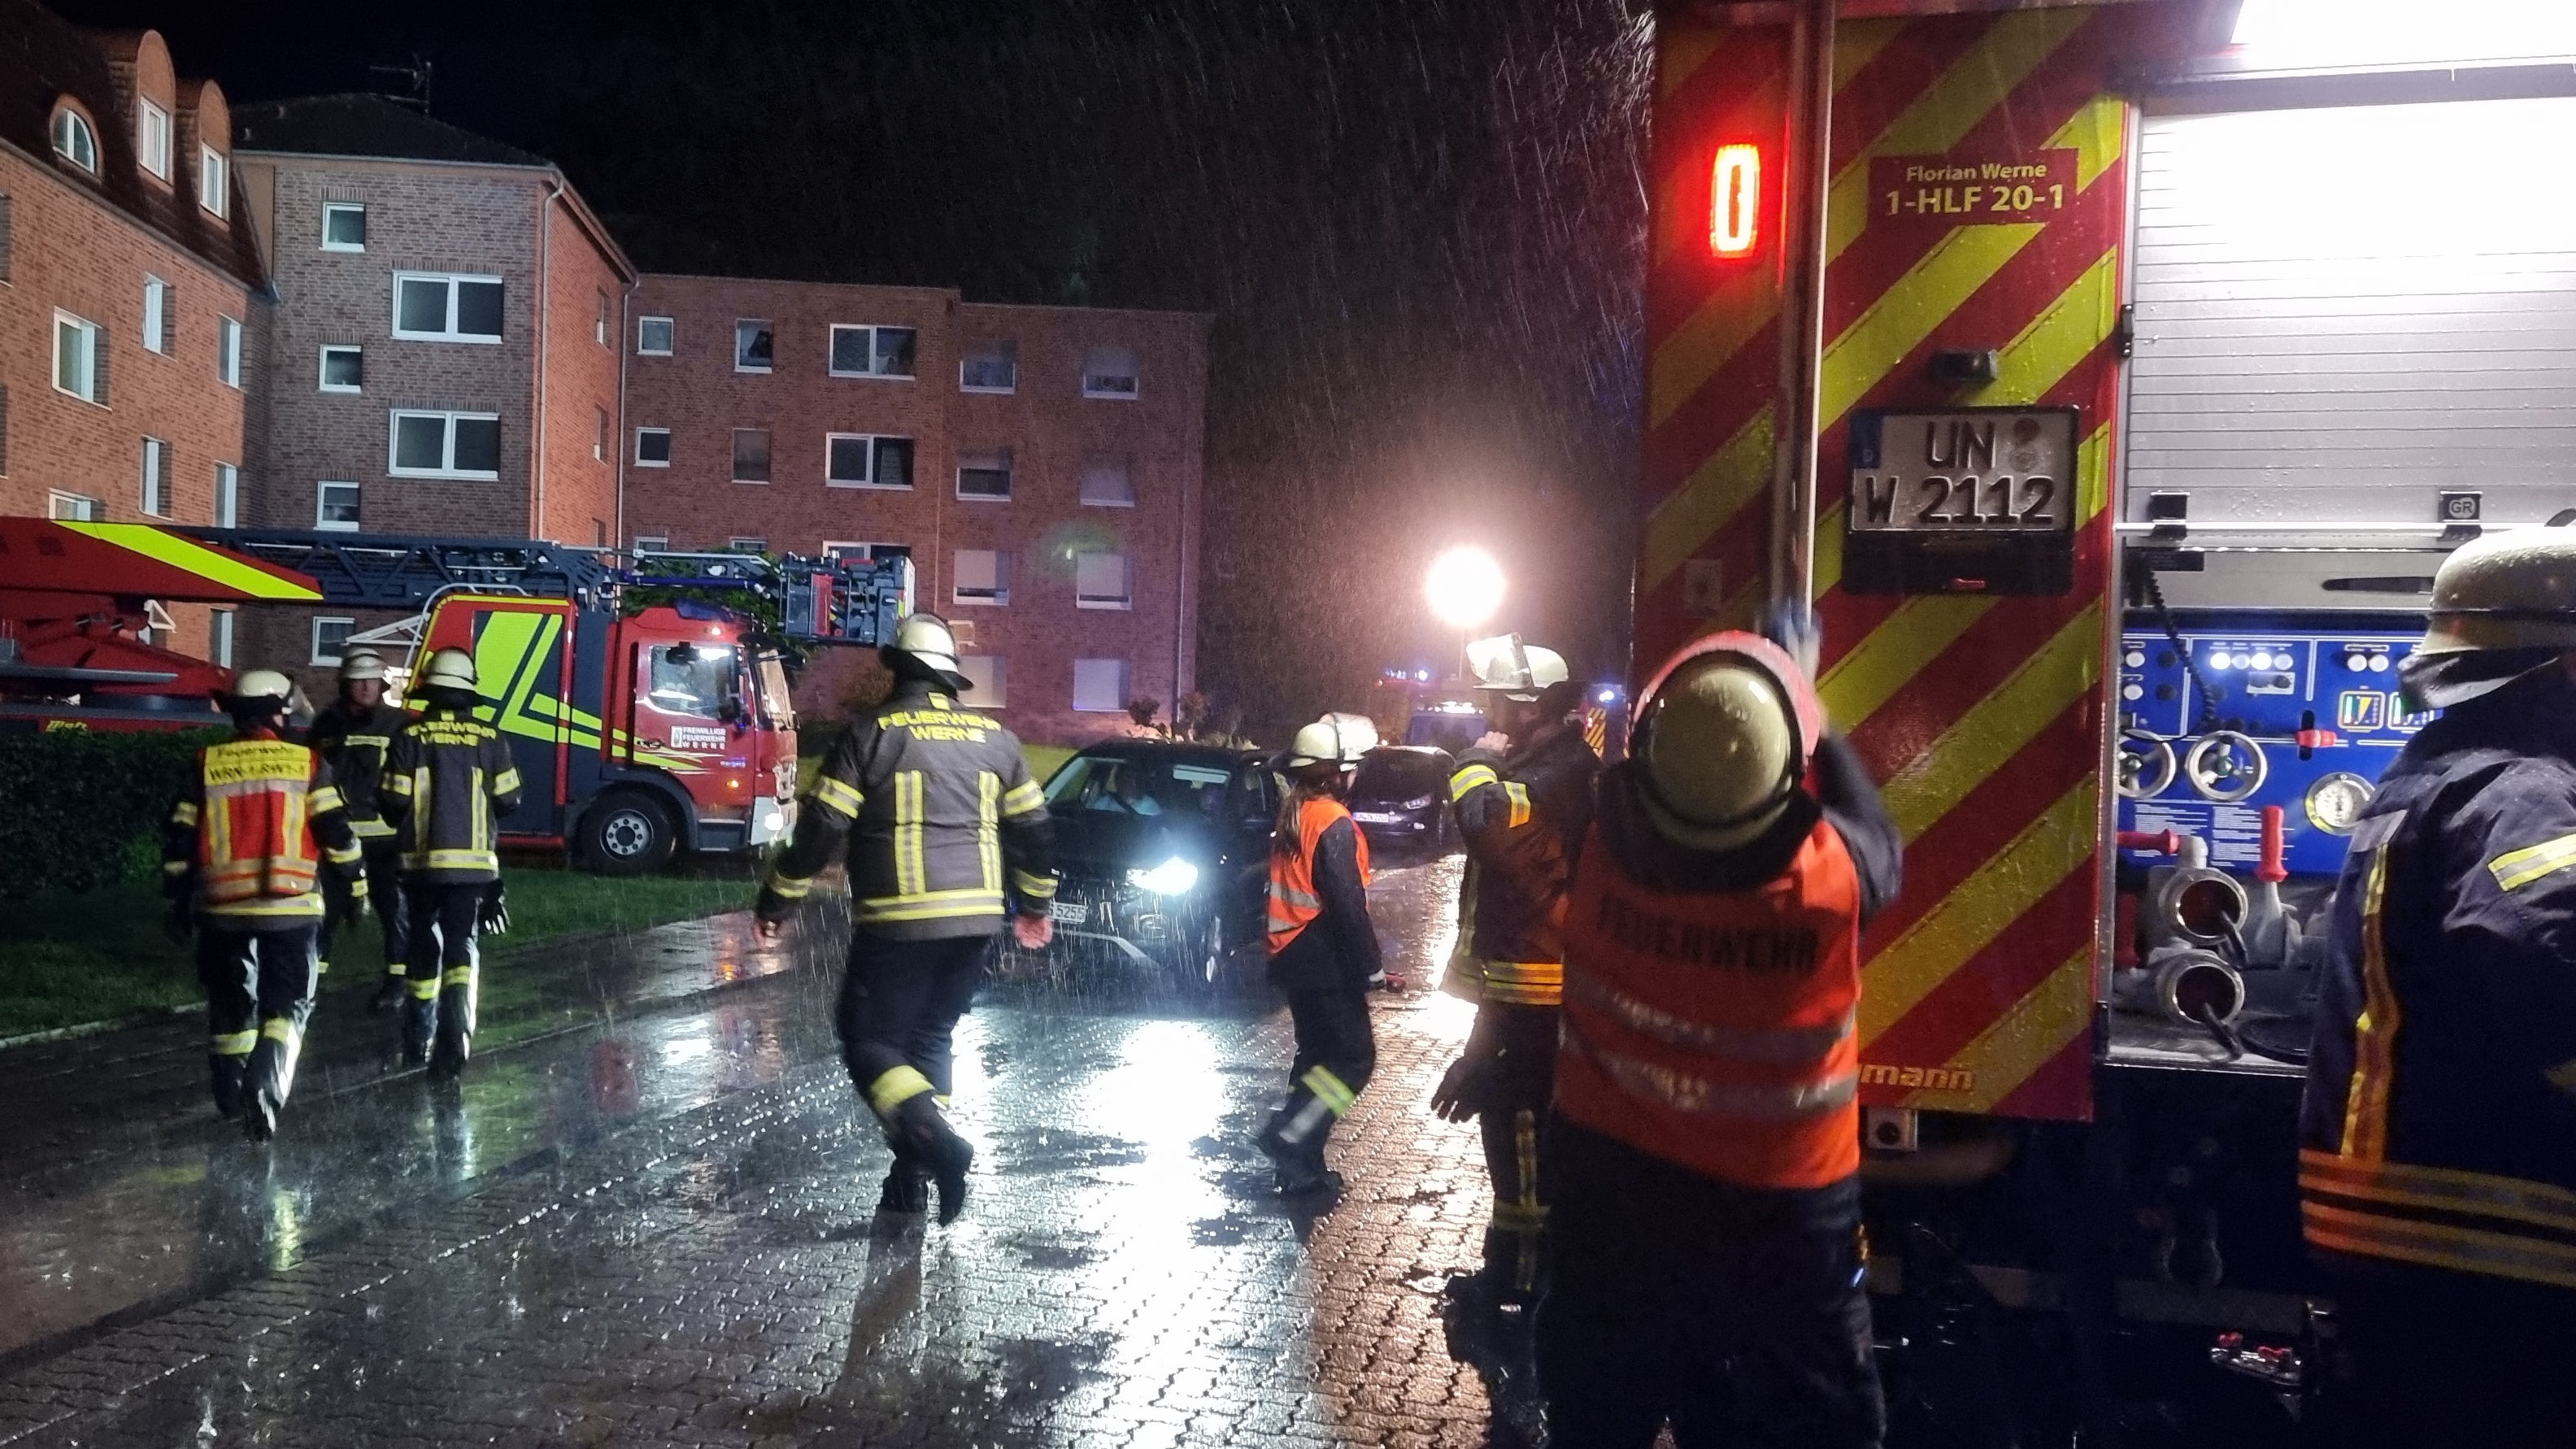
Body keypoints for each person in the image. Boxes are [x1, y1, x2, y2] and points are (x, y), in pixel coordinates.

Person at [1537, 628, 1901, 1448]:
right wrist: (1815, 708)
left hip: (1612, 1196)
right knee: (1817, 1423)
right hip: (1781, 1220)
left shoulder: (1597, 854)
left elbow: (1612, 781)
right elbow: (1879, 830)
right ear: (1784, 778)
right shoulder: (1827, 886)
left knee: (1597, 1412)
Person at [2300, 529, 2576, 1448]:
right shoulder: (2527, 794)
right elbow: (2551, 962)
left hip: (2420, 1238)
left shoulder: (2438, 776)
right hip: (2495, 1247)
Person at [755, 613, 1056, 1226]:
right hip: (975, 921)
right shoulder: (996, 740)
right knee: (928, 1038)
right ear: (950, 679)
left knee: (866, 1037)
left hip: (898, 921)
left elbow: (822, 829)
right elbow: (1035, 834)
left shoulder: (870, 734)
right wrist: (1035, 906)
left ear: (896, 669)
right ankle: (911, 1172)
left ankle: (938, 1145)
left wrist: (780, 898)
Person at [1433, 634, 1599, 1321]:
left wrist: (1471, 762)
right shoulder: (1547, 763)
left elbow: (1489, 827)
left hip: (1542, 988)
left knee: (1523, 1128)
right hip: (1523, 985)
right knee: (1507, 1123)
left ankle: (1526, 1280)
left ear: (1530, 706)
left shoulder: (1556, 775)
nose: (1488, 715)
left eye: (1496, 702)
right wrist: (1478, 1047)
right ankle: (1512, 1265)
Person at [162, 668, 367, 1142]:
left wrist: (176, 899)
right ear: (278, 712)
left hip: (221, 909)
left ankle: (230, 1097)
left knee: (230, 1002)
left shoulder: (206, 763)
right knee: (288, 1004)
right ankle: (265, 1085)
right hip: (291, 909)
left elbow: (179, 837)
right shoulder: (306, 762)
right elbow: (337, 833)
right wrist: (356, 889)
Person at [378, 646, 520, 1083]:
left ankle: (418, 1037)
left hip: (421, 868)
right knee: (461, 946)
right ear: (466, 694)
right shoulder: (491, 739)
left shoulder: (408, 739)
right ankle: (454, 1037)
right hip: (473, 870)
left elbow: (393, 802)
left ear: (432, 693)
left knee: (423, 947)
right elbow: (509, 801)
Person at [1258, 711, 1385, 1198]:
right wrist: (1370, 966)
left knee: (1314, 1059)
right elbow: (1347, 905)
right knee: (1353, 1060)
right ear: (1338, 772)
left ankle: (1300, 1168)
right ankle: (1290, 1138)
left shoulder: (1297, 814)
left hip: (1291, 955)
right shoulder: (1333, 821)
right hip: (1322, 956)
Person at [306, 648, 411, 1006]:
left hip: (385, 839)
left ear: (382, 684)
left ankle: (397, 983)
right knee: (323, 914)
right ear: (344, 683)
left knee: (394, 911)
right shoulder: (325, 726)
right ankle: (310, 987)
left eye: (372, 681)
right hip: (337, 836)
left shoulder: (400, 725)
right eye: (358, 680)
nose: (366, 688)